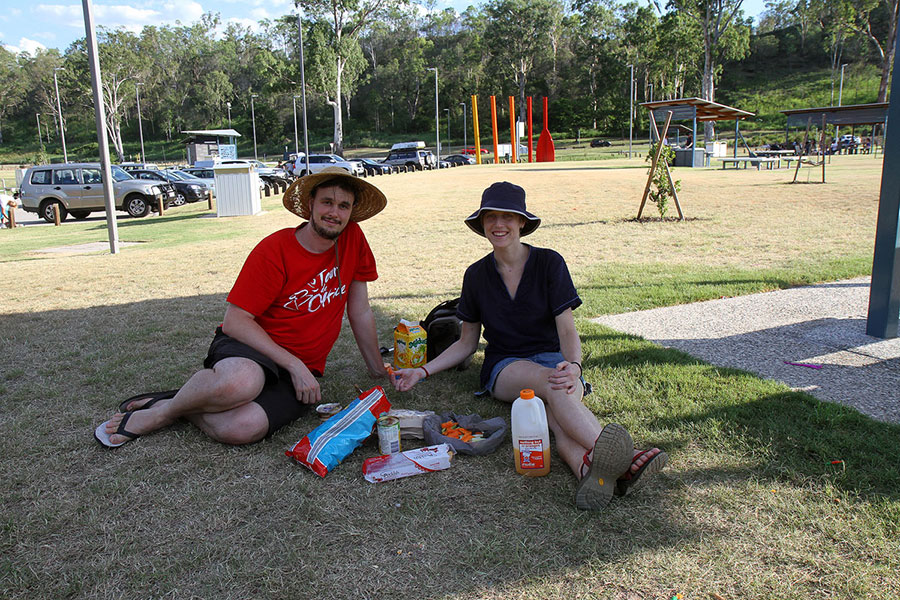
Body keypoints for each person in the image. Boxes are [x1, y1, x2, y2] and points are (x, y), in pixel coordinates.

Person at [391, 182, 667, 510]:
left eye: (508, 216)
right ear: (481, 224)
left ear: (522, 221)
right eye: (490, 217)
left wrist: (575, 366)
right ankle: (625, 459)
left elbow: (567, 329)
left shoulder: (549, 263)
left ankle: (588, 471)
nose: (498, 224)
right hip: (506, 366)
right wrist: (421, 371)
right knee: (552, 384)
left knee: (555, 409)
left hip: (555, 360)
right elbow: (467, 343)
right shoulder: (476, 275)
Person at [95, 167, 389, 448]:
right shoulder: (275, 250)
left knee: (241, 428)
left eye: (343, 206)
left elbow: (360, 310)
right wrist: (293, 364)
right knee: (241, 384)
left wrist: (377, 368)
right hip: (251, 348)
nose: (334, 213)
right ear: (311, 204)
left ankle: (183, 402)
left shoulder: (353, 239)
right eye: (327, 202)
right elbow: (235, 321)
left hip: (301, 368)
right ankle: (163, 413)